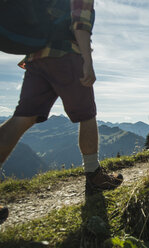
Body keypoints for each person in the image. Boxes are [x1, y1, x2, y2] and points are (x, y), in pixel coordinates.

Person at [0, 0, 122, 223]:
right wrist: (88, 60)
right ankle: (94, 175)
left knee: (21, 118)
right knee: (87, 114)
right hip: (66, 55)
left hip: (35, 58)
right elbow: (80, 24)